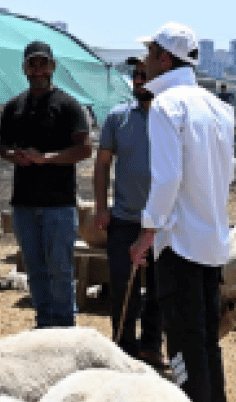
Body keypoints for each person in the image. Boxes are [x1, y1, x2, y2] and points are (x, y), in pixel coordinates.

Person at [129, 21, 235, 402]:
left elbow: (168, 179)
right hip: (211, 238)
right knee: (206, 337)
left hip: (181, 243)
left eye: (149, 53)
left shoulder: (166, 106)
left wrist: (148, 230)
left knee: (184, 341)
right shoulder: (218, 108)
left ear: (163, 58)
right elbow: (222, 176)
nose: (144, 62)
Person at [0, 41, 93, 329]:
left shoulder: (68, 105)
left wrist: (47, 159)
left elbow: (85, 149)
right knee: (35, 268)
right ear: (24, 68)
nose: (38, 69)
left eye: (43, 63)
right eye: (32, 63)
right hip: (24, 203)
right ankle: (44, 322)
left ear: (53, 67)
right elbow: (2, 146)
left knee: (60, 268)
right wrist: (13, 156)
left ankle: (64, 325)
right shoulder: (15, 106)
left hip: (59, 204)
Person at [94, 58, 164, 370]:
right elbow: (102, 164)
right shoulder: (117, 118)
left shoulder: (170, 119)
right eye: (136, 75)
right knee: (124, 288)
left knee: (160, 290)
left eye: (145, 76)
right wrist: (101, 207)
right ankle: (123, 349)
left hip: (163, 222)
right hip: (124, 218)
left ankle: (151, 346)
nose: (139, 81)